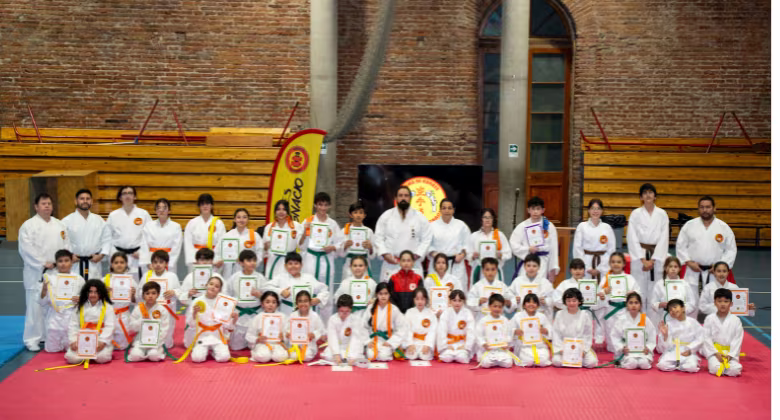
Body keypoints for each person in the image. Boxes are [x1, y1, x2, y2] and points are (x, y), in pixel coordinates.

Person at [18, 192, 70, 351]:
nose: (47, 206)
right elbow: (26, 249)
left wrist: (63, 262)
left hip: (56, 271)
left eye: (49, 203)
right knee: (35, 307)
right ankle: (32, 339)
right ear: (36, 207)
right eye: (43, 203)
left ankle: (48, 335)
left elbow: (66, 246)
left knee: (53, 305)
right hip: (37, 272)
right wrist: (43, 263)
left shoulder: (60, 225)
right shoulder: (28, 225)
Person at [676, 196, 737, 299]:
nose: (705, 210)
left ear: (714, 208)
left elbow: (731, 250)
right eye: (702, 207)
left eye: (708, 207)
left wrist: (720, 266)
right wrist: (689, 262)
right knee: (691, 304)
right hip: (693, 272)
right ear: (698, 209)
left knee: (714, 303)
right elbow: (680, 246)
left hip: (715, 274)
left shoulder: (723, 227)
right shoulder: (689, 225)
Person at [299, 192, 344, 321]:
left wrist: (333, 247)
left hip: (326, 260)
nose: (323, 208)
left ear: (329, 206)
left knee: (326, 294)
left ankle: (324, 330)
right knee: (308, 290)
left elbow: (340, 243)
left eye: (325, 205)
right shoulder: (308, 221)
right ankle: (306, 322)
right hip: (310, 260)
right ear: (315, 205)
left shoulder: (333, 224)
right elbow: (300, 245)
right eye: (320, 205)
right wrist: (304, 232)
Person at [374, 186, 432, 282]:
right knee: (389, 293)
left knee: (415, 295)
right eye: (400, 196)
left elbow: (427, 239)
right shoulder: (386, 216)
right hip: (391, 263)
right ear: (396, 198)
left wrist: (417, 255)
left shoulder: (420, 218)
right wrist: (385, 254)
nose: (403, 198)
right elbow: (378, 238)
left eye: (406, 196)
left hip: (413, 264)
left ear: (410, 198)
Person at [626, 183, 669, 311]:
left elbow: (664, 238)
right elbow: (631, 237)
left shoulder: (662, 214)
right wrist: (642, 259)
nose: (648, 195)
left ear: (655, 196)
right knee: (639, 290)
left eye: (650, 192)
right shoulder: (635, 214)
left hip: (657, 255)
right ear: (641, 197)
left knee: (655, 291)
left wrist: (654, 259)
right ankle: (639, 323)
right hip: (640, 256)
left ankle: (655, 326)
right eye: (645, 193)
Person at [39, 250, 84, 353]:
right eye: (60, 261)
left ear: (72, 262)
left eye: (66, 260)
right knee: (51, 351)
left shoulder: (79, 279)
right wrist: (44, 289)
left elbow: (86, 301)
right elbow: (42, 302)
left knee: (73, 351)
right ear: (56, 263)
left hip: (71, 319)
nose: (63, 264)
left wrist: (81, 300)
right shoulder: (49, 279)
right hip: (54, 319)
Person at [183, 276, 237, 363]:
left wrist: (234, 318)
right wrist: (194, 313)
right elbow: (191, 324)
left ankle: (213, 352)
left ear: (219, 290)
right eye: (211, 284)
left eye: (216, 286)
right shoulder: (197, 301)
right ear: (206, 285)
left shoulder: (224, 302)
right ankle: (205, 350)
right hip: (202, 335)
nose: (213, 287)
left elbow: (228, 326)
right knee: (197, 358)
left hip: (217, 336)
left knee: (224, 357)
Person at [62, 188, 110, 280]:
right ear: (76, 201)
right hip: (74, 263)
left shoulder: (99, 220)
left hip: (94, 263)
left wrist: (101, 255)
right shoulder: (66, 221)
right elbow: (62, 241)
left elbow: (107, 239)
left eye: (88, 199)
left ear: (91, 201)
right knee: (75, 291)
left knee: (93, 292)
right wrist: (69, 256)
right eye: (82, 198)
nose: (85, 201)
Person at [597, 252, 641, 353]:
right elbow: (599, 296)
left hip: (626, 310)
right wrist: (604, 293)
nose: (616, 264)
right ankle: (614, 347)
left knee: (625, 332)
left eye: (619, 262)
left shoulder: (629, 278)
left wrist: (632, 293)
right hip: (610, 310)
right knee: (611, 339)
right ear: (609, 263)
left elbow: (638, 293)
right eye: (613, 262)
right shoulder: (606, 279)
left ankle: (627, 348)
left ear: (624, 264)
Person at [65, 280, 116, 365]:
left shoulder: (108, 307)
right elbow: (73, 325)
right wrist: (73, 341)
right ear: (86, 293)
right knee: (72, 359)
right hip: (82, 339)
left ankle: (90, 354)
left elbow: (110, 326)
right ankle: (86, 354)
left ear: (101, 293)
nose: (93, 295)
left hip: (99, 339)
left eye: (96, 292)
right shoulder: (79, 307)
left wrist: (102, 342)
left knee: (102, 358)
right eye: (90, 292)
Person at [225, 249, 267, 351]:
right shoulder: (234, 278)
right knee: (236, 347)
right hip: (239, 316)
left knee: (257, 348)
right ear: (241, 262)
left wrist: (260, 295)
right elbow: (227, 295)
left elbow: (268, 297)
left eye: (254, 260)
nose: (252, 263)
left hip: (255, 314)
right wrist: (230, 312)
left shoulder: (260, 278)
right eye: (249, 260)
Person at [509, 197, 559, 282]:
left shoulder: (549, 226)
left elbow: (553, 249)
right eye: (533, 209)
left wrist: (553, 269)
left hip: (543, 262)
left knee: (540, 287)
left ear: (543, 210)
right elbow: (513, 244)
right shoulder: (522, 226)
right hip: (528, 262)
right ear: (528, 210)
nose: (535, 212)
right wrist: (528, 249)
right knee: (525, 286)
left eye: (538, 209)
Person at [106, 186, 152, 279]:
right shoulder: (113, 215)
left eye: (130, 193)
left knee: (138, 285)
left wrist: (142, 253)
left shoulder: (143, 214)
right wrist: (114, 254)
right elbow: (107, 237)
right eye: (124, 193)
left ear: (135, 197)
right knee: (118, 284)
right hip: (118, 257)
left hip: (137, 256)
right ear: (120, 197)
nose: (127, 196)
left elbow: (150, 236)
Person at [137, 250, 180, 348]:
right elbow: (139, 292)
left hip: (167, 309)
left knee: (167, 331)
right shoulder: (146, 276)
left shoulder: (172, 276)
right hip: (150, 308)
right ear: (151, 263)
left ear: (166, 263)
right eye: (155, 262)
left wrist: (174, 292)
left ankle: (166, 344)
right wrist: (145, 295)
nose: (158, 265)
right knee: (150, 330)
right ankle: (149, 343)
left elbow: (179, 291)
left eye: (161, 262)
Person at [701, 288, 745, 377]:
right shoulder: (709, 319)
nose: (722, 304)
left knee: (735, 370)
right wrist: (716, 353)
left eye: (726, 301)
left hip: (730, 353)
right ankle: (721, 367)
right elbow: (706, 338)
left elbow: (737, 339)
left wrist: (730, 355)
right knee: (715, 368)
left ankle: (727, 368)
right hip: (715, 352)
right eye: (719, 301)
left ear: (731, 303)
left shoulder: (736, 320)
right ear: (715, 303)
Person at [359, 283, 407, 361]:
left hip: (387, 339)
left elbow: (402, 328)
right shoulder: (371, 308)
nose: (383, 296)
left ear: (389, 294)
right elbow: (363, 326)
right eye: (380, 294)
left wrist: (391, 342)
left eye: (386, 293)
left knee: (383, 357)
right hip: (373, 339)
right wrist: (368, 341)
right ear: (376, 294)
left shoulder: (394, 309)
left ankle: (389, 350)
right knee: (371, 356)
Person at [551, 288, 598, 368]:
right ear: (565, 302)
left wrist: (583, 350)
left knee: (591, 363)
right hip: (564, 346)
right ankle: (573, 361)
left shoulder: (585, 315)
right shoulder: (559, 314)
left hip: (580, 347)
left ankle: (574, 360)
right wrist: (560, 349)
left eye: (574, 300)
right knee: (556, 362)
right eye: (568, 301)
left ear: (579, 301)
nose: (571, 303)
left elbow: (588, 334)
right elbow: (556, 333)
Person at [609, 292, 656, 370]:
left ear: (640, 305)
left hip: (642, 350)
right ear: (627, 305)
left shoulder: (643, 319)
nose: (633, 305)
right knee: (632, 363)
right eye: (631, 303)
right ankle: (622, 362)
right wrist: (622, 348)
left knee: (644, 364)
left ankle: (640, 360)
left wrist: (648, 347)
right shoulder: (622, 319)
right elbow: (615, 336)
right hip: (627, 351)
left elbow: (652, 335)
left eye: (636, 303)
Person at [427, 199, 470, 285]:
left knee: (457, 292)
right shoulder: (432, 226)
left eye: (449, 208)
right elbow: (427, 244)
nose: (447, 210)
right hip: (438, 264)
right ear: (440, 210)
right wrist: (434, 254)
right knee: (436, 291)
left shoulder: (461, 225)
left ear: (453, 210)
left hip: (456, 264)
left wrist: (462, 255)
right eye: (444, 208)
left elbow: (468, 244)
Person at [127, 282, 171, 362]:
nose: (150, 296)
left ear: (158, 295)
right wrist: (142, 320)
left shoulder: (162, 310)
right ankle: (142, 354)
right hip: (140, 340)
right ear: (143, 295)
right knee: (135, 356)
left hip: (155, 342)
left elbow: (164, 329)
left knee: (153, 355)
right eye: (147, 293)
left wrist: (156, 341)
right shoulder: (138, 309)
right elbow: (131, 328)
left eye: (153, 293)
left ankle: (149, 354)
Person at [572, 198, 615, 282]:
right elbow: (577, 249)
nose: (595, 211)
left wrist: (601, 268)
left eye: (598, 208)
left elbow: (611, 250)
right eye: (593, 208)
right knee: (586, 290)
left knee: (603, 290)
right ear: (588, 210)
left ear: (602, 211)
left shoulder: (607, 228)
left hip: (603, 263)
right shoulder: (582, 226)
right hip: (585, 262)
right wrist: (587, 267)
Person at [467, 208, 511, 287]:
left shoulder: (499, 235)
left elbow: (508, 253)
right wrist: (473, 256)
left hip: (495, 271)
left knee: (495, 294)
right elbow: (467, 254)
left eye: (490, 217)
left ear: (493, 219)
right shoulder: (474, 236)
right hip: (479, 271)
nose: (487, 220)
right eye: (485, 217)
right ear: (481, 219)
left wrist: (501, 255)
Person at [101, 252, 137, 350]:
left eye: (122, 262)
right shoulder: (104, 280)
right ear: (111, 265)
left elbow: (136, 301)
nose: (119, 265)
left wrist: (133, 295)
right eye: (116, 262)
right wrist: (103, 293)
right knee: (106, 344)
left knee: (122, 347)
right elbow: (96, 300)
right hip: (108, 315)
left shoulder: (131, 281)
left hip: (123, 315)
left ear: (126, 264)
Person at [656, 299, 703, 373]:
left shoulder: (693, 322)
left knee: (691, 367)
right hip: (673, 350)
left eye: (675, 307)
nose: (673, 310)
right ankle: (679, 365)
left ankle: (679, 365)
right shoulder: (669, 324)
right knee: (662, 365)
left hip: (687, 350)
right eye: (670, 310)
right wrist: (665, 335)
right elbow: (665, 347)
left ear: (683, 308)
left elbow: (700, 338)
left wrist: (690, 350)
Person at [215, 208, 264, 280]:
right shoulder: (226, 236)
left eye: (244, 217)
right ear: (234, 220)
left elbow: (260, 253)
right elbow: (218, 253)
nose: (241, 220)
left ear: (248, 220)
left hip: (248, 271)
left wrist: (252, 264)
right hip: (229, 272)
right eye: (238, 217)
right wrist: (219, 261)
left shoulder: (254, 235)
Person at [262, 200, 305, 280]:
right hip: (272, 261)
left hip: (289, 262)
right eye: (278, 209)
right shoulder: (269, 227)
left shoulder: (296, 226)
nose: (281, 212)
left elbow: (301, 245)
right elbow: (264, 250)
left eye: (284, 209)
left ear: (287, 211)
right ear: (275, 211)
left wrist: (304, 234)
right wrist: (265, 246)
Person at [140, 198, 182, 275]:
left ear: (169, 211)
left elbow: (176, 248)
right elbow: (144, 245)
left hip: (168, 262)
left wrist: (168, 263)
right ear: (156, 211)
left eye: (164, 207)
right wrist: (148, 262)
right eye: (158, 208)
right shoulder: (148, 226)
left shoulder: (176, 226)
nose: (161, 210)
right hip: (152, 261)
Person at [649, 256, 697, 326]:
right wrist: (661, 304)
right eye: (670, 266)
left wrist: (681, 310)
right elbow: (653, 303)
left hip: (682, 316)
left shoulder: (685, 284)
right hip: (666, 316)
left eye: (675, 267)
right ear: (665, 268)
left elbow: (692, 303)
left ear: (680, 269)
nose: (673, 269)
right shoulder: (660, 284)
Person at [184, 193, 226, 271]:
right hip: (197, 260)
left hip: (213, 260)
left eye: (207, 203)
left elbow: (221, 243)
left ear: (212, 205)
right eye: (202, 204)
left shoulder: (219, 223)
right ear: (199, 206)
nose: (205, 206)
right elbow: (188, 243)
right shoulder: (192, 223)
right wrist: (194, 259)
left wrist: (216, 259)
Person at [245, 291, 288, 363]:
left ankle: (273, 354)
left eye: (274, 302)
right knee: (263, 357)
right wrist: (257, 339)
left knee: (281, 357)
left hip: (277, 344)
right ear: (262, 304)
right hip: (262, 344)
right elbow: (249, 335)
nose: (270, 305)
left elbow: (288, 332)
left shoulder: (282, 317)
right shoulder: (258, 317)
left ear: (277, 304)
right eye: (267, 302)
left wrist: (283, 336)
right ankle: (257, 353)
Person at [511, 293, 552, 367]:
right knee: (528, 361)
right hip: (523, 346)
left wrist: (545, 330)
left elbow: (550, 329)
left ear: (538, 305)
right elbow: (508, 328)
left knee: (543, 360)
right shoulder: (517, 316)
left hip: (539, 346)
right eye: (528, 302)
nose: (531, 304)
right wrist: (515, 331)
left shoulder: (542, 316)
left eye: (534, 302)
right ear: (523, 305)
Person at [339, 200, 376, 281]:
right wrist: (344, 246)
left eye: (361, 212)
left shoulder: (369, 231)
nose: (358, 215)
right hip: (350, 264)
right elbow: (340, 254)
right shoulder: (345, 231)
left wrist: (370, 248)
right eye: (355, 212)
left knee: (364, 289)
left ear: (364, 215)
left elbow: (373, 255)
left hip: (364, 264)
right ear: (350, 215)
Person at [509, 254, 554, 320]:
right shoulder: (517, 281)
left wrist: (546, 301)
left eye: (534, 266)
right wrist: (515, 300)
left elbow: (552, 298)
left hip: (539, 317)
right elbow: (509, 296)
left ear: (539, 267)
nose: (531, 268)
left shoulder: (545, 282)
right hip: (522, 317)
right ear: (524, 266)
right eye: (528, 265)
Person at [475, 294, 514, 368]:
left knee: (508, 363)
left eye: (500, 307)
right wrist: (483, 344)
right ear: (489, 306)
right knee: (486, 363)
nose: (497, 309)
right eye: (495, 306)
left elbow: (509, 334)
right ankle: (494, 361)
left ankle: (496, 361)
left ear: (502, 308)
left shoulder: (504, 320)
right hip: (488, 350)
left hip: (501, 350)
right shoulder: (483, 320)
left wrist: (506, 343)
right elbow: (478, 335)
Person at [285, 290, 326, 362]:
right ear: (296, 303)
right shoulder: (293, 315)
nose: (303, 303)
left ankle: (304, 354)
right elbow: (286, 329)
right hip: (295, 345)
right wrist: (288, 334)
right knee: (293, 356)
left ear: (310, 303)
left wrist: (314, 334)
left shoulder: (314, 316)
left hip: (309, 346)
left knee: (306, 356)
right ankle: (296, 354)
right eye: (300, 301)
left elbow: (321, 331)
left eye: (306, 301)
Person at [436, 289, 475, 364]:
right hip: (449, 343)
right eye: (454, 300)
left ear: (463, 302)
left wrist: (466, 346)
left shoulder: (468, 313)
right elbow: (442, 331)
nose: (457, 303)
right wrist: (445, 345)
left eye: (460, 300)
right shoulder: (446, 313)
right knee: (447, 358)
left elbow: (471, 331)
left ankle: (463, 353)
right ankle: (448, 352)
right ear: (450, 301)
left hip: (462, 343)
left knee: (462, 357)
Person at [322, 295, 360, 364]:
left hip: (349, 347)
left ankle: (348, 358)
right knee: (328, 356)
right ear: (337, 309)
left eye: (347, 311)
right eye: (341, 311)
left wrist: (352, 356)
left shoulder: (355, 320)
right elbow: (332, 337)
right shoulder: (332, 319)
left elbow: (355, 339)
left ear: (351, 309)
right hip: (337, 346)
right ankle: (342, 357)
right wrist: (336, 354)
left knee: (356, 357)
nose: (344, 314)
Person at [402, 288, 437, 361]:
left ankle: (426, 348)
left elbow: (432, 331)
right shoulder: (409, 312)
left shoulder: (431, 314)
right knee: (412, 356)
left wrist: (427, 345)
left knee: (424, 357)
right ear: (413, 300)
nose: (420, 302)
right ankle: (411, 347)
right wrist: (410, 344)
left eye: (422, 299)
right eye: (417, 299)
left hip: (424, 342)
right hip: (413, 342)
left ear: (426, 300)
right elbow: (406, 329)